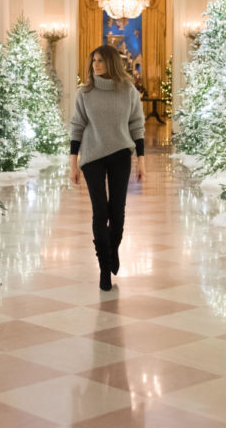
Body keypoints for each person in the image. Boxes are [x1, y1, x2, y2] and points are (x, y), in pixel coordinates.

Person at [70, 45, 146, 291]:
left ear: (111, 62)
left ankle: (113, 249)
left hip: (121, 155)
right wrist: (73, 161)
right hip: (92, 157)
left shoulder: (128, 90)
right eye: (93, 61)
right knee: (99, 213)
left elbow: (137, 125)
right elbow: (77, 125)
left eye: (100, 60)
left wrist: (141, 160)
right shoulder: (85, 92)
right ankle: (104, 268)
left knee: (118, 213)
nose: (95, 65)